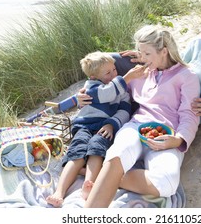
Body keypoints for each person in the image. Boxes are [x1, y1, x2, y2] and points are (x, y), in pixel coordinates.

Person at [84, 25, 200, 207]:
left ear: (164, 52)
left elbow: (189, 114)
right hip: (136, 125)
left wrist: (178, 140)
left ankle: (108, 178)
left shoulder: (187, 76)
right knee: (117, 154)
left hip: (166, 134)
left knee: (167, 183)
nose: (142, 58)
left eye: (147, 54)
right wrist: (86, 93)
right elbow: (102, 63)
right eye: (140, 53)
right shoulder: (140, 72)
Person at [46, 51, 144, 207]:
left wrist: (112, 124)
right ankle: (59, 191)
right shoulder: (92, 87)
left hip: (105, 127)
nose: (114, 74)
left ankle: (89, 184)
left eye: (114, 70)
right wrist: (126, 78)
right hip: (84, 125)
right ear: (93, 77)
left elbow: (124, 110)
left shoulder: (121, 90)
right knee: (77, 152)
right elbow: (107, 94)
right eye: (108, 72)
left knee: (97, 148)